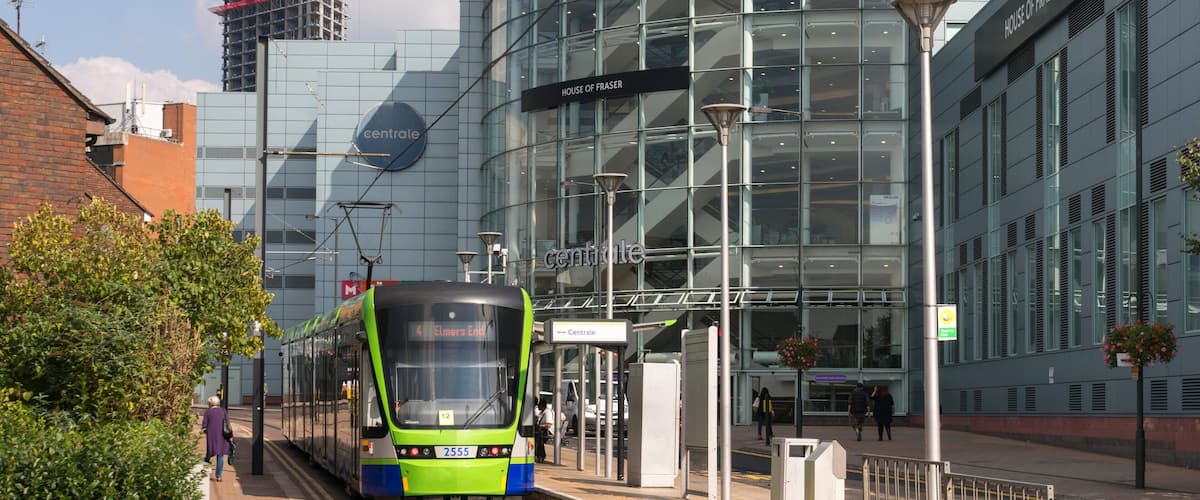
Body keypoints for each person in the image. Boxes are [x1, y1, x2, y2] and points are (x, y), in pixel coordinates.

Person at [201, 395, 232, 481]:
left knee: (209, 453)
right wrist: (230, 435)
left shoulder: (208, 412)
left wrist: (205, 431)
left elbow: (204, 425)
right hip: (222, 435)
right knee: (220, 455)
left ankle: (205, 471)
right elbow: (228, 423)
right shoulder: (223, 411)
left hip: (211, 435)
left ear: (210, 403)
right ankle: (218, 475)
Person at [534, 398, 554, 463]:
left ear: (542, 405)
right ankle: (538, 454)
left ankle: (540, 455)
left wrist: (539, 426)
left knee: (537, 437)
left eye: (539, 405)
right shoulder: (541, 412)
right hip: (542, 430)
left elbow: (548, 424)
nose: (538, 406)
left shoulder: (547, 412)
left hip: (548, 431)